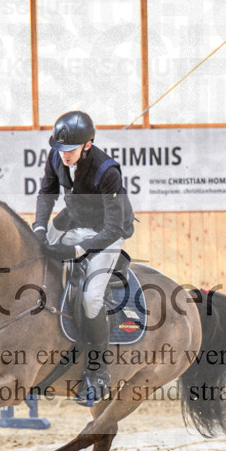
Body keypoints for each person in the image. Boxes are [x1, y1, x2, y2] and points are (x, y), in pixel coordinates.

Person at [33, 110, 135, 404]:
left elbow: (114, 227)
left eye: (71, 150)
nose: (64, 155)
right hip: (74, 220)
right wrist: (40, 228)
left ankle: (99, 371)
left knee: (92, 296)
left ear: (88, 145)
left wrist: (77, 250)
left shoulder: (107, 171)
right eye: (60, 149)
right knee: (30, 250)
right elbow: (46, 193)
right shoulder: (56, 157)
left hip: (107, 232)